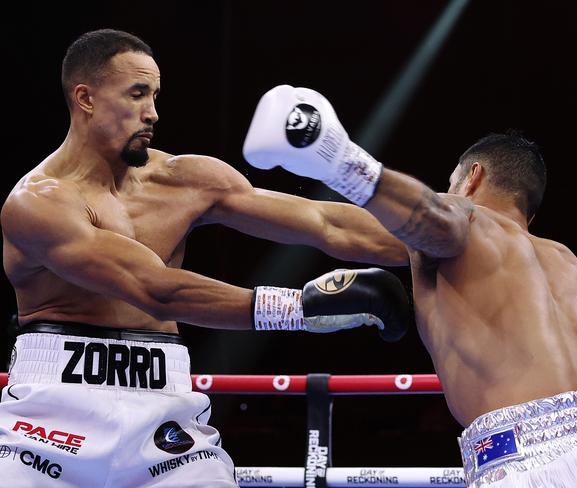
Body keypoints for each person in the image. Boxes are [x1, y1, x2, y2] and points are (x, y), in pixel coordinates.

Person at [0, 31, 413, 488]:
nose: (152, 112)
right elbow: (154, 290)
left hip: (164, 418)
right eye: (137, 94)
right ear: (86, 98)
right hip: (47, 420)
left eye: (155, 95)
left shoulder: (186, 180)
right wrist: (300, 308)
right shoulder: (36, 203)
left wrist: (444, 237)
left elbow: (325, 222)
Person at [242, 84, 577, 487]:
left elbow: (333, 223)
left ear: (472, 178)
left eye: (451, 182)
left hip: (522, 471)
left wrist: (335, 159)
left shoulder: (466, 219)